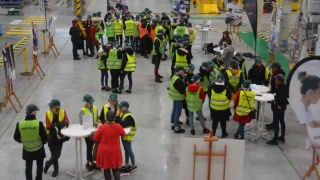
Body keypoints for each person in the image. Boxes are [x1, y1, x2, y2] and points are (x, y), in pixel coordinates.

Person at [14, 104, 47, 180]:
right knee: (39, 167)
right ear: (34, 113)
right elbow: (45, 138)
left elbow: (16, 137)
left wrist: (24, 142)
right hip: (39, 150)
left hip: (27, 150)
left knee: (28, 168)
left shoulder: (20, 124)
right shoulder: (38, 124)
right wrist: (42, 142)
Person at [94, 110, 126, 180]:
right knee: (115, 169)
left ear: (106, 118)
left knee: (106, 169)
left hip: (104, 152)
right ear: (114, 117)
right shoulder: (118, 126)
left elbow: (95, 138)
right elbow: (123, 133)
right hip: (115, 151)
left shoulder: (101, 128)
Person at [43, 99, 70, 177]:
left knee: (57, 155)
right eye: (50, 107)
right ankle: (56, 169)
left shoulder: (63, 112)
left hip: (59, 136)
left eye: (52, 107)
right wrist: (60, 124)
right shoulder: (48, 113)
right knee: (53, 154)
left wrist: (54, 125)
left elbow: (67, 122)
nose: (50, 108)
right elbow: (48, 126)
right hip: (50, 137)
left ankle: (47, 164)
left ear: (57, 107)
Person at [115, 101, 138, 173]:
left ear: (124, 108)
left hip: (128, 136)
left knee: (129, 151)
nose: (119, 109)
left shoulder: (128, 116)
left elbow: (122, 125)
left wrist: (118, 115)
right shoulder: (124, 114)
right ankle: (126, 164)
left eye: (120, 108)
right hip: (124, 135)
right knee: (126, 150)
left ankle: (133, 165)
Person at [267, 74, 288, 145]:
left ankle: (275, 139)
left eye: (276, 80)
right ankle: (282, 137)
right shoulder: (285, 87)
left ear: (279, 81)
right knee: (282, 121)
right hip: (282, 108)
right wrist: (284, 105)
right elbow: (287, 98)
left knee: (276, 123)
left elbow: (281, 98)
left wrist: (279, 105)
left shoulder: (279, 89)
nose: (275, 81)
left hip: (278, 108)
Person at [79, 94, 99, 171]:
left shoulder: (95, 108)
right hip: (87, 132)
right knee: (89, 146)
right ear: (86, 102)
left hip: (94, 131)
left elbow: (97, 116)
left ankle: (92, 162)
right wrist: (94, 123)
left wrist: (98, 120)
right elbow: (81, 122)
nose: (91, 104)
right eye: (90, 103)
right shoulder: (83, 111)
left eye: (92, 102)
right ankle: (88, 162)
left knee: (94, 147)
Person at [266, 62, 285, 129]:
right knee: (273, 108)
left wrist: (273, 94)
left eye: (273, 67)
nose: (272, 68)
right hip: (274, 93)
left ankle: (275, 124)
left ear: (276, 68)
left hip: (276, 96)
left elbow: (277, 87)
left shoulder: (278, 75)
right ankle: (274, 123)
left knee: (275, 110)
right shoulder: (276, 73)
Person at [169, 66, 186, 133]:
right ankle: (176, 127)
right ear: (179, 72)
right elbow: (182, 90)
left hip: (174, 97)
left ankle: (173, 123)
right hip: (178, 97)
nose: (184, 72)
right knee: (178, 111)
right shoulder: (178, 80)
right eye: (182, 70)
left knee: (174, 109)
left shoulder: (174, 77)